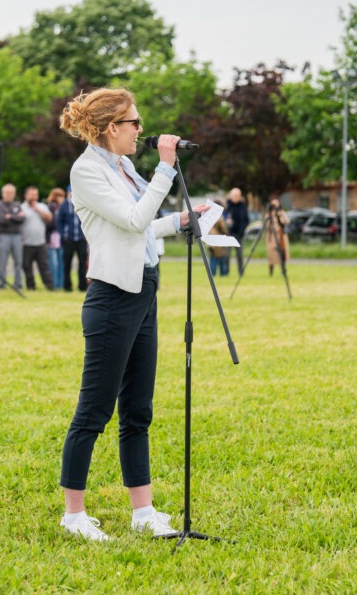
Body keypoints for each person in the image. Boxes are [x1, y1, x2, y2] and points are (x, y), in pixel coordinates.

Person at [56, 88, 207, 542]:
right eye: (134, 123)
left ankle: (144, 512)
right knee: (94, 410)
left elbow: (142, 225)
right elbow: (133, 219)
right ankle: (73, 516)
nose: (141, 130)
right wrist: (165, 167)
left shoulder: (122, 166)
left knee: (138, 409)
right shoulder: (86, 171)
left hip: (145, 289)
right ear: (109, 128)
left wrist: (180, 221)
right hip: (112, 298)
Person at [20, 185, 54, 291]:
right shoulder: (21, 207)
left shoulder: (42, 206)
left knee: (44, 266)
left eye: (36, 194)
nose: (34, 197)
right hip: (26, 243)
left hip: (40, 243)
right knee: (27, 265)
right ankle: (31, 286)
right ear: (26, 195)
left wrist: (37, 210)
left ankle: (49, 285)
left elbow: (49, 218)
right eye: (32, 194)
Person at [56, 185, 88, 292]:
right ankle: (67, 286)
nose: (72, 195)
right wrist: (62, 234)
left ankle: (82, 286)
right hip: (68, 239)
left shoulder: (83, 203)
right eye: (70, 193)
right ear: (67, 193)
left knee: (82, 263)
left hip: (81, 238)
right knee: (67, 263)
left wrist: (86, 234)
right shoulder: (64, 205)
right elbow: (59, 221)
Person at [0, 183, 25, 290]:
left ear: (14, 194)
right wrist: (15, 216)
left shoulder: (17, 205)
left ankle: (18, 283)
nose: (9, 194)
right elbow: (2, 219)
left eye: (11, 192)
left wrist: (9, 216)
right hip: (4, 236)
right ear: (2, 193)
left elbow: (22, 219)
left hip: (17, 236)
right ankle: (1, 283)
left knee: (18, 261)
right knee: (2, 261)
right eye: (7, 192)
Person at [224, 187, 249, 276]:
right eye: (234, 195)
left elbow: (246, 220)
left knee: (240, 255)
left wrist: (242, 230)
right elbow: (222, 218)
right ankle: (226, 272)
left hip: (240, 235)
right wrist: (226, 222)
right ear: (230, 196)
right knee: (226, 255)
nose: (235, 197)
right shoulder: (227, 206)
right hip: (229, 234)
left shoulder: (243, 206)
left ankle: (241, 273)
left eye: (237, 195)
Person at [46, 188, 66, 291]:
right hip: (52, 238)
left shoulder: (65, 207)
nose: (60, 198)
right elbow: (52, 222)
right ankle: (53, 284)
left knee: (61, 263)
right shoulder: (50, 207)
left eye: (61, 195)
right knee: (53, 263)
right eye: (57, 195)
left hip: (61, 239)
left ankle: (61, 284)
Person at [265, 198, 290, 276]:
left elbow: (287, 221)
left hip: (281, 236)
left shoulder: (281, 213)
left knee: (282, 253)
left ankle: (283, 271)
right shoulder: (268, 214)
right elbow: (267, 225)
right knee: (272, 254)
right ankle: (271, 271)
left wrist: (281, 215)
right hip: (272, 236)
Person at [207, 199, 230, 276]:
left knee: (213, 260)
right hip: (220, 241)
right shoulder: (220, 218)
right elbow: (224, 229)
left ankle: (212, 275)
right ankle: (223, 275)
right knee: (222, 261)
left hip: (211, 241)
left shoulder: (208, 216)